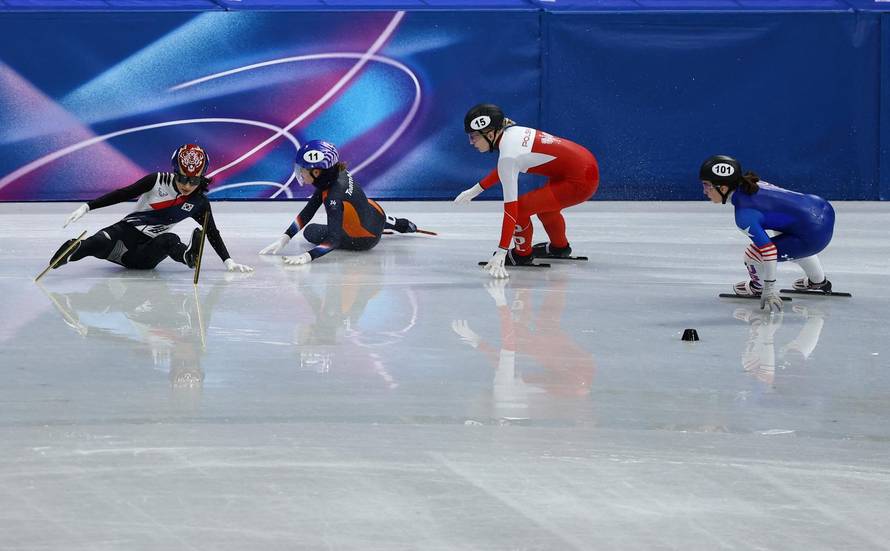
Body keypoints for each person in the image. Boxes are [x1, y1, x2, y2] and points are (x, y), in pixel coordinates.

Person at [50, 144, 253, 273]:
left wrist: (228, 261)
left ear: (202, 178)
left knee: (170, 240)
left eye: (194, 181)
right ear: (174, 171)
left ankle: (189, 257)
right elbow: (123, 193)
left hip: (145, 255)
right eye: (183, 178)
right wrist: (88, 206)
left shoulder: (199, 202)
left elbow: (212, 232)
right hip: (124, 233)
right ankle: (69, 254)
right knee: (94, 242)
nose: (188, 186)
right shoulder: (156, 180)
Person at [454, 103, 599, 278]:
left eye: (474, 137)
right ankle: (559, 248)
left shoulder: (508, 155)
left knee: (522, 208)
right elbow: (505, 168)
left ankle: (521, 255)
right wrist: (475, 190)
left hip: (580, 179)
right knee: (546, 211)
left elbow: (511, 211)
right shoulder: (511, 132)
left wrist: (502, 251)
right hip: (582, 163)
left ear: (490, 133)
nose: (471, 143)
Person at [700, 154, 836, 312]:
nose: (704, 191)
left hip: (812, 235)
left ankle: (757, 287)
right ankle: (818, 280)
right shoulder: (754, 183)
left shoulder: (744, 215)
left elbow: (768, 250)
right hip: (821, 209)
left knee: (753, 255)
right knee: (783, 229)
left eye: (706, 185)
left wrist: (769, 289)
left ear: (723, 188)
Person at [259, 140, 418, 264]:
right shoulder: (337, 173)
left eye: (302, 169)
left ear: (316, 171)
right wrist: (285, 238)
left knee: (311, 231)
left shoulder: (332, 196)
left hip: (364, 239)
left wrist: (308, 256)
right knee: (358, 203)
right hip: (377, 214)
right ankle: (398, 223)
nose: (299, 173)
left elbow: (333, 241)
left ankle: (386, 227)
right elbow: (310, 209)